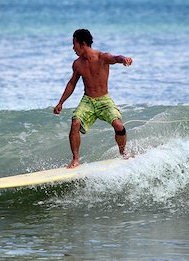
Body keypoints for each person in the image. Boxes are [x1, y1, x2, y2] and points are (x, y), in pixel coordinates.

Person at [53, 29, 133, 168]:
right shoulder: (77, 64)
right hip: (88, 101)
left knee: (119, 126)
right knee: (76, 122)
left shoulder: (102, 57)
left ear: (83, 44)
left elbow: (116, 58)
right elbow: (72, 83)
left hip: (104, 100)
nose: (73, 48)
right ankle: (75, 160)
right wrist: (61, 102)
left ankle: (123, 152)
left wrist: (124, 59)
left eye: (74, 44)